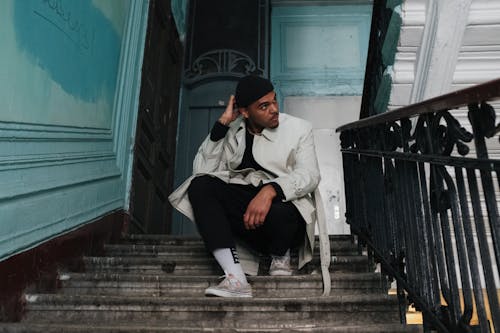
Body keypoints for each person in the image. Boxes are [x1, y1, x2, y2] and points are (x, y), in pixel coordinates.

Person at [168, 75, 321, 298]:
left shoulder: (299, 129)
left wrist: (271, 191)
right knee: (200, 185)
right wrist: (221, 127)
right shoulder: (233, 130)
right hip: (248, 220)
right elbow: (201, 170)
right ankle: (235, 278)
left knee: (283, 210)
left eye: (274, 101)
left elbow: (310, 174)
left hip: (284, 217)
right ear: (245, 112)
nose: (274, 109)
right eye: (264, 106)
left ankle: (281, 255)